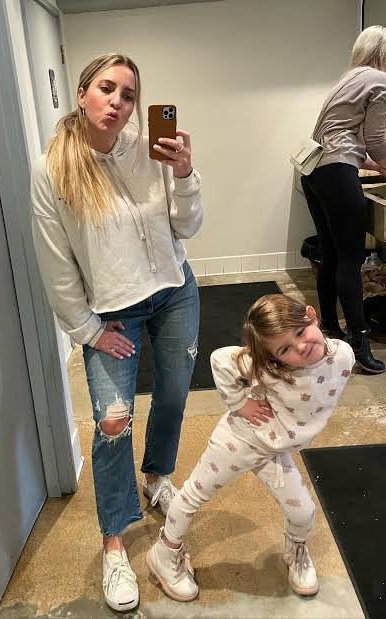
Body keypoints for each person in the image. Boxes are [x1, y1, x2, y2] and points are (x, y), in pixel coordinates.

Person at [30, 53, 202, 612]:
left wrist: (184, 174)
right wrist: (86, 329)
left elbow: (187, 226)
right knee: (111, 422)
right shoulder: (53, 168)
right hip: (112, 313)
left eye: (129, 95)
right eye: (107, 89)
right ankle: (114, 542)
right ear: (82, 93)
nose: (118, 103)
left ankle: (156, 477)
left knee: (174, 395)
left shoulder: (150, 149)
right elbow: (55, 260)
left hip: (174, 290)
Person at [146, 294, 354, 602]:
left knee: (304, 513)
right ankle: (163, 554)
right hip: (239, 440)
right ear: (274, 357)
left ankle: (295, 551)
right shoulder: (270, 366)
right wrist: (240, 404)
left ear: (311, 315)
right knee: (191, 496)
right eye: (284, 349)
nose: (300, 347)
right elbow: (220, 359)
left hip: (276, 448)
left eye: (300, 332)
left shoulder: (344, 356)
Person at [301, 25, 386, 374]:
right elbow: (378, 142)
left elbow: (342, 140)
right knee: (352, 258)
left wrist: (376, 164)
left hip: (313, 170)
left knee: (331, 254)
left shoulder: (347, 80)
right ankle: (360, 343)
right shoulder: (379, 81)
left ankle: (330, 328)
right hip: (336, 172)